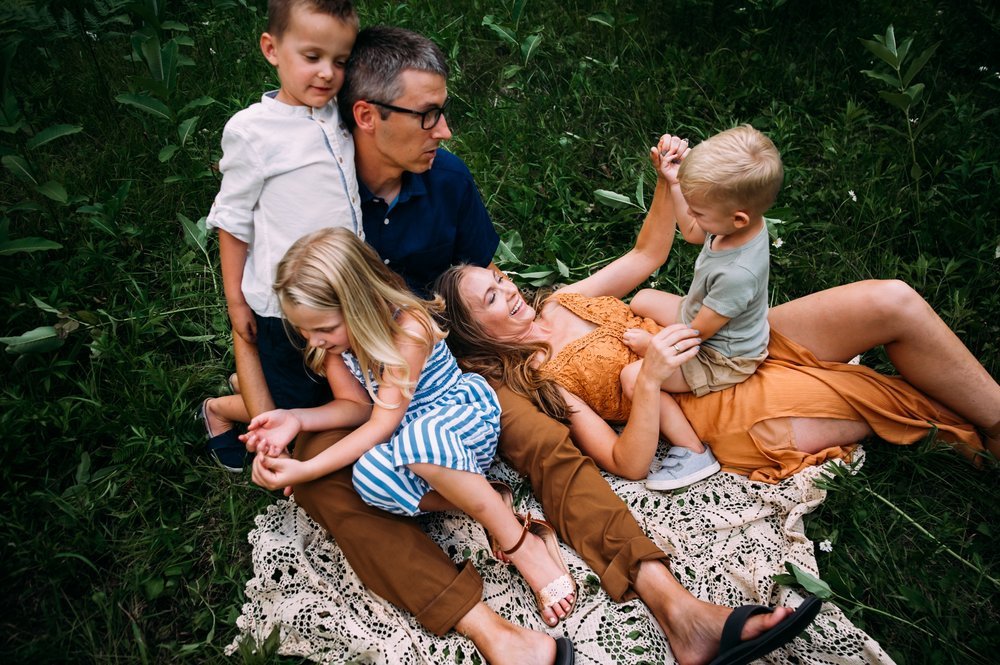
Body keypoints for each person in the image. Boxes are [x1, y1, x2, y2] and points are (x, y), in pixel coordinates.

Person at [236, 25, 824, 665]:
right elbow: (252, 305)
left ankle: (675, 607)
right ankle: (500, 637)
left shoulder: (447, 181)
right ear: (368, 116)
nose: (446, 131)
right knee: (328, 492)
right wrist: (273, 408)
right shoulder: (316, 189)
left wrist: (513, 356)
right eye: (429, 114)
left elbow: (481, 298)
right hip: (351, 380)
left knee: (545, 441)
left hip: (448, 365)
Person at [435, 159, 995, 488]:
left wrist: (665, 182)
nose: (510, 288)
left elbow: (646, 255)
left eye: (502, 278)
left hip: (727, 344)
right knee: (885, 400)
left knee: (890, 299)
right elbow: (623, 464)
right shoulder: (541, 379)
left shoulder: (561, 301)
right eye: (492, 295)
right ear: (476, 331)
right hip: (717, 407)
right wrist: (649, 379)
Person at [242, 228, 577, 629]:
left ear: (358, 305)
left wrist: (306, 468)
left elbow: (383, 423)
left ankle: (521, 544)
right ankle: (485, 497)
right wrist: (296, 418)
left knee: (417, 440)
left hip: (461, 420)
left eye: (323, 329)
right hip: (410, 440)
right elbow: (357, 407)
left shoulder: (409, 328)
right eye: (305, 330)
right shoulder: (332, 346)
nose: (313, 340)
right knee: (368, 477)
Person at [200, 0, 363, 472]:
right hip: (282, 306)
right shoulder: (254, 131)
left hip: (339, 291)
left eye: (340, 60)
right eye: (311, 57)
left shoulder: (337, 114)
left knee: (338, 387)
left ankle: (252, 386)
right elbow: (233, 219)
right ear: (271, 49)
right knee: (292, 401)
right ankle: (219, 410)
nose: (328, 73)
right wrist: (235, 301)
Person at [621, 125, 782, 490]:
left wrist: (652, 348)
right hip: (703, 314)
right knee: (643, 299)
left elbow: (699, 334)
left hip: (721, 354)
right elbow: (694, 233)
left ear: (737, 218)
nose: (695, 218)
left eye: (700, 211)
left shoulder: (738, 273)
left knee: (634, 378)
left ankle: (692, 451)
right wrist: (675, 183)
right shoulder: (733, 223)